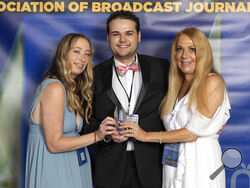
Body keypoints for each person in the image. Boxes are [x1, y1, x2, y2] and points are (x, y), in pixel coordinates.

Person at [121, 27, 231, 188]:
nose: (184, 56)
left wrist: (145, 136)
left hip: (200, 163)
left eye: (192, 49)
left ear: (203, 53)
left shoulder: (212, 81)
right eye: (179, 49)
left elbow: (192, 133)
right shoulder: (175, 86)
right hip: (172, 162)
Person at [83, 11, 170, 188]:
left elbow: (184, 100)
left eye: (129, 33)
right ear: (108, 38)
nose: (123, 40)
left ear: (139, 36)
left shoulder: (162, 68)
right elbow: (84, 122)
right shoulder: (93, 75)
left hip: (153, 167)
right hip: (110, 168)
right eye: (116, 34)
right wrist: (106, 134)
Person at [25, 33, 116, 188]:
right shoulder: (54, 88)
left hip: (73, 167)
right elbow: (54, 144)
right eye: (76, 51)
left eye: (87, 54)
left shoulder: (70, 89)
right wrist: (97, 135)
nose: (82, 58)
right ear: (63, 53)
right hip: (54, 171)